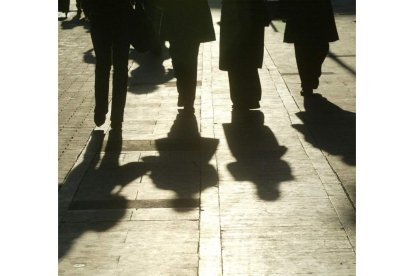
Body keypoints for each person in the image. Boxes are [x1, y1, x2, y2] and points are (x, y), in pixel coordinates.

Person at [158, 0, 215, 113]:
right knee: (190, 61)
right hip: (193, 20)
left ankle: (185, 95)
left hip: (176, 20)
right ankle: (187, 98)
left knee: (179, 59)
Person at [82, 0, 131, 129]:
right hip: (122, 18)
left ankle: (100, 110)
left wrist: (88, 11)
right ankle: (117, 117)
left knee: (102, 66)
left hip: (100, 17)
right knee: (120, 69)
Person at [219, 0, 270, 111]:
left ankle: (241, 98)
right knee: (248, 62)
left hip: (236, 22)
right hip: (250, 20)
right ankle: (251, 97)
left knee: (235, 63)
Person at [282, 0, 339, 96]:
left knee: (321, 47)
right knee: (302, 49)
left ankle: (313, 73)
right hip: (299, 11)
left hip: (318, 10)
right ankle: (306, 84)